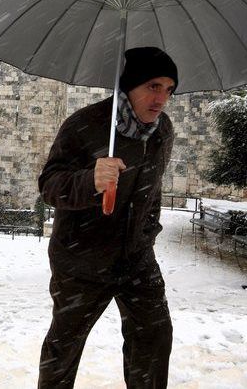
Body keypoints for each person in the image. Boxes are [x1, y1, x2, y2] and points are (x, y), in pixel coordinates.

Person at [37, 47, 178, 388]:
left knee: (155, 335)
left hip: (136, 259)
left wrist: (146, 235)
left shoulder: (162, 132)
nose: (161, 99)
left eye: (169, 90)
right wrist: (90, 181)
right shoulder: (84, 126)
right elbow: (49, 186)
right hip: (81, 260)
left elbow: (152, 191)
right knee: (65, 348)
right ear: (129, 85)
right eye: (153, 86)